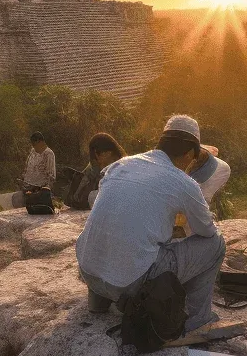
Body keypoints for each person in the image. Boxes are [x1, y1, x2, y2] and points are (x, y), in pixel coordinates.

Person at [75, 115, 224, 334]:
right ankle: (197, 319)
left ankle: (99, 300)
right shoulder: (183, 182)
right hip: (130, 284)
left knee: (120, 237)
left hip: (89, 270)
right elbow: (206, 231)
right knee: (216, 244)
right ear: (190, 153)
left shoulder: (120, 166)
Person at [65, 133, 126, 210]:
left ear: (107, 153)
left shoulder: (123, 167)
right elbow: (77, 197)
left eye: (98, 155)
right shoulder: (94, 167)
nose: (98, 159)